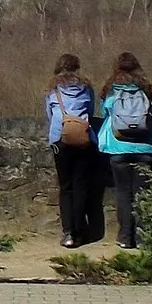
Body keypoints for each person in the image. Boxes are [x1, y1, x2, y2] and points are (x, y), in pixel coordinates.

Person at [96, 52, 152, 250]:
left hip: (118, 147)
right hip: (145, 147)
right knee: (143, 193)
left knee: (123, 193)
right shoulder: (147, 89)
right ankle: (143, 236)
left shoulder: (110, 90)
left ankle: (125, 236)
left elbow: (105, 113)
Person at [45, 53, 103, 248]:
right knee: (81, 186)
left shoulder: (53, 90)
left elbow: (48, 114)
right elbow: (92, 110)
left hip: (60, 139)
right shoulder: (86, 88)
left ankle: (68, 232)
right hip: (83, 139)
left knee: (66, 187)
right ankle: (80, 231)